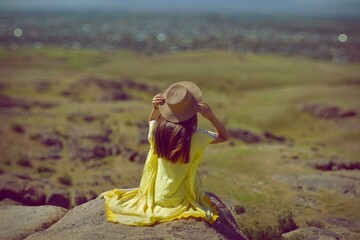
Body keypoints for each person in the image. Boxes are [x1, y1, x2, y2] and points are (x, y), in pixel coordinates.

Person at [99, 81, 230, 226]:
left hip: (155, 195)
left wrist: (155, 108)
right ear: (193, 114)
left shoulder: (157, 130)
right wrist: (211, 116)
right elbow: (224, 137)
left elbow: (152, 120)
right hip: (179, 200)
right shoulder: (197, 136)